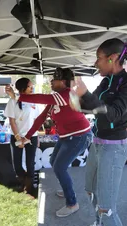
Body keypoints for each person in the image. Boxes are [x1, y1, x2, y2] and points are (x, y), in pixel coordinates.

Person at [73, 38, 127, 226]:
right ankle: (101, 225)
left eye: (98, 59)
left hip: (114, 147)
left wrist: (86, 96)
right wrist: (76, 98)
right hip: (97, 143)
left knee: (107, 208)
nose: (96, 63)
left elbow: (114, 114)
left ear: (112, 59)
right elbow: (91, 107)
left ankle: (106, 222)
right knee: (90, 190)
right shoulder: (105, 82)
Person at [19, 67, 93, 217]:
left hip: (80, 136)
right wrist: (27, 136)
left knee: (59, 167)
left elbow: (41, 98)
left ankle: (72, 203)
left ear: (64, 82)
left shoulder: (67, 94)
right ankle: (67, 189)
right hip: (67, 136)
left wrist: (18, 96)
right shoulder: (56, 98)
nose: (51, 81)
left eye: (54, 78)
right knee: (54, 161)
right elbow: (40, 118)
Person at [4, 78, 40, 196]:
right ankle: (23, 182)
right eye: (30, 86)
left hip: (32, 137)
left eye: (32, 86)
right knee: (17, 164)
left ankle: (30, 188)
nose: (32, 88)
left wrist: (36, 137)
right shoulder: (12, 101)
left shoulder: (34, 101)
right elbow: (12, 121)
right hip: (16, 136)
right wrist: (18, 138)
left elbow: (36, 121)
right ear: (23, 88)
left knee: (30, 163)